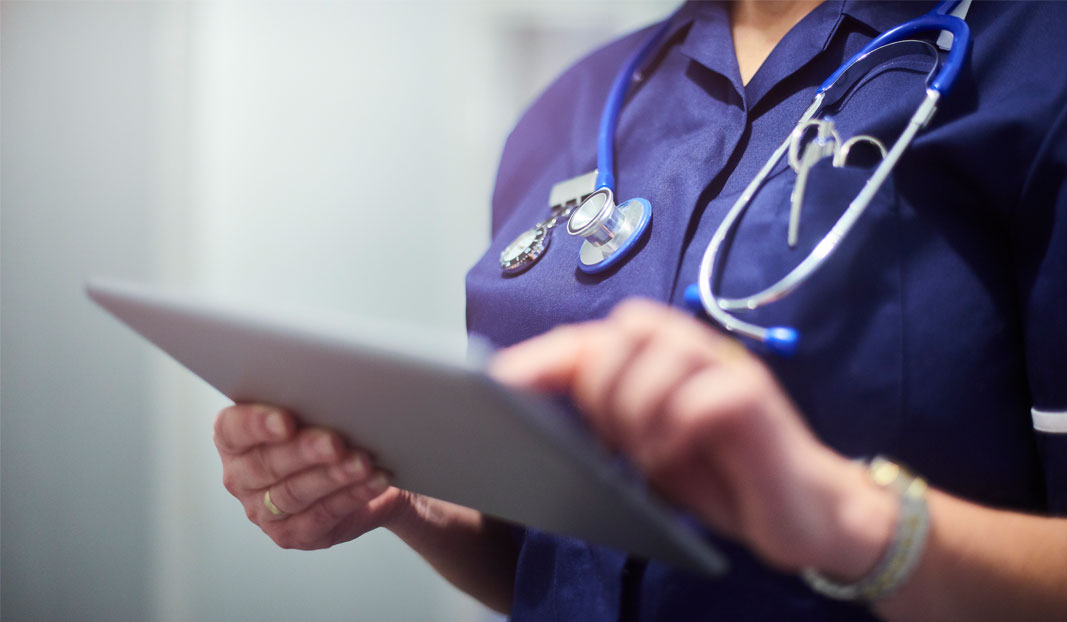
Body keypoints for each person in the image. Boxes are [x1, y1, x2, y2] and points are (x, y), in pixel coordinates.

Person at [212, 1, 1067, 620]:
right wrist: (407, 502)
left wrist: (852, 523)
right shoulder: (574, 106)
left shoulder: (1036, 66)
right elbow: (559, 563)